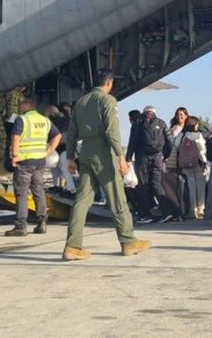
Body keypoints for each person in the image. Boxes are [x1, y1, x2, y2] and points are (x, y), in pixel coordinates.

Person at [62, 69, 150, 260]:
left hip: (85, 153)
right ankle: (128, 241)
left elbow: (71, 132)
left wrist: (70, 158)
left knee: (81, 200)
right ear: (109, 83)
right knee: (117, 199)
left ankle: (72, 246)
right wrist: (121, 156)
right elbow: (112, 130)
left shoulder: (81, 102)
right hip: (104, 153)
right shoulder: (108, 101)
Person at [5, 97, 61, 236]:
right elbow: (58, 135)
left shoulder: (22, 119)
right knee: (38, 191)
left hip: (24, 161)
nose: (20, 107)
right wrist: (48, 151)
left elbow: (15, 137)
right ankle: (42, 221)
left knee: (21, 193)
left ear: (28, 105)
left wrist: (15, 155)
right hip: (40, 161)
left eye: (22, 104)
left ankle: (20, 225)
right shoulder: (44, 120)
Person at [127, 105, 177, 224]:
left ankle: (145, 214)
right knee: (156, 185)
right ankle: (167, 212)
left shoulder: (138, 122)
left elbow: (132, 141)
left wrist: (128, 157)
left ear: (144, 112)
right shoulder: (162, 122)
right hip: (158, 158)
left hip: (142, 157)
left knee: (142, 185)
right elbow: (169, 142)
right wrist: (165, 155)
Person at [179, 115, 207, 219]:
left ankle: (192, 209)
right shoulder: (198, 135)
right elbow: (202, 149)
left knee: (190, 187)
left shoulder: (182, 135)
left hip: (185, 164)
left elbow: (177, 148)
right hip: (198, 163)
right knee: (200, 186)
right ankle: (201, 208)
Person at [166, 107, 189, 173]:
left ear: (186, 116)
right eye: (177, 114)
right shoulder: (171, 129)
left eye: (181, 114)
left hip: (185, 159)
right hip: (172, 159)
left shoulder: (189, 130)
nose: (179, 116)